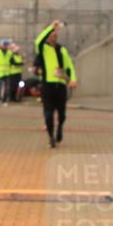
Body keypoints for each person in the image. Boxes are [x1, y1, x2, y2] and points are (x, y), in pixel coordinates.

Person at [34, 20, 77, 148]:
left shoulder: (62, 49)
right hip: (47, 86)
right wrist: (51, 27)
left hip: (61, 86)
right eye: (51, 35)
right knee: (48, 113)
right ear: (47, 36)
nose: (54, 37)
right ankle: (51, 137)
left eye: (55, 35)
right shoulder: (42, 48)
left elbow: (70, 65)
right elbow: (38, 41)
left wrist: (73, 79)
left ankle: (60, 128)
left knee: (62, 114)